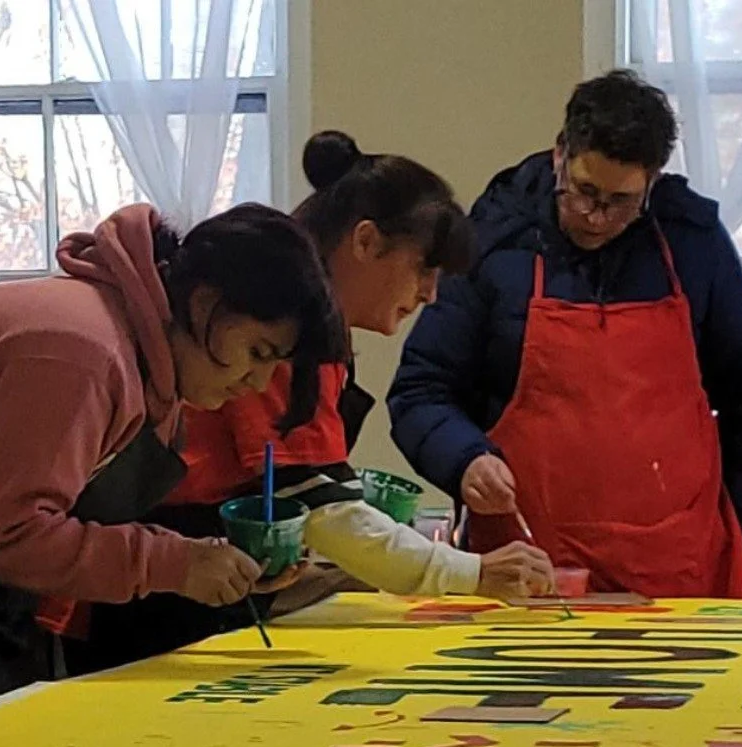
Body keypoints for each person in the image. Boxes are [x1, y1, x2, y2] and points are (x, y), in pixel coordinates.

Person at [0, 201, 341, 740]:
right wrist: (175, 564)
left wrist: (204, 559)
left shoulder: (150, 363)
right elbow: (8, 536)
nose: (258, 383)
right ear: (204, 302)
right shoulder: (81, 352)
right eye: (257, 352)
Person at [62, 131, 556, 674]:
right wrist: (469, 572)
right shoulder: (287, 320)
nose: (430, 295)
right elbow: (325, 510)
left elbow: (317, 497)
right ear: (365, 242)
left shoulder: (309, 325)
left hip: (178, 573)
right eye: (424, 270)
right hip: (150, 589)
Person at [388, 69, 742, 599]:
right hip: (524, 568)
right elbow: (420, 390)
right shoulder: (495, 238)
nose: (597, 217)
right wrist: (464, 459)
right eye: (584, 191)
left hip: (676, 572)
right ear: (560, 155)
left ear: (652, 182)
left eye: (621, 201)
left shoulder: (692, 245)